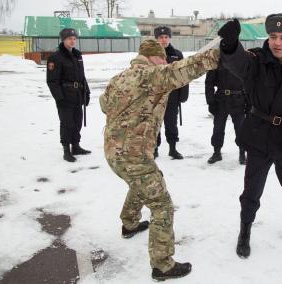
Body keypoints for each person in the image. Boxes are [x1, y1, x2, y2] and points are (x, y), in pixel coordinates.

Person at [99, 40, 219, 280]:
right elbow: (186, 69)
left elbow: (104, 104)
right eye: (162, 58)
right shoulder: (150, 76)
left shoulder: (120, 78)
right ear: (153, 58)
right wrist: (220, 53)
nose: (165, 62)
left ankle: (130, 223)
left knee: (143, 184)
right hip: (133, 156)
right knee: (161, 205)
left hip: (115, 153)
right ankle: (162, 265)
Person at [217, 15, 282, 258]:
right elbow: (237, 63)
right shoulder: (256, 61)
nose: (277, 42)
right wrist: (231, 44)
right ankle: (245, 230)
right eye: (273, 37)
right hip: (259, 135)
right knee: (252, 190)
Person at [46, 28, 91, 162]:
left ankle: (76, 146)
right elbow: (52, 81)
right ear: (63, 40)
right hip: (65, 96)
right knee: (67, 123)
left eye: (74, 38)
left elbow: (82, 76)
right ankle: (66, 150)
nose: (73, 41)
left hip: (77, 95)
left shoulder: (78, 56)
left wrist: (87, 92)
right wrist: (59, 98)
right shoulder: (55, 57)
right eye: (70, 38)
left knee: (77, 122)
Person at [154, 26, 189, 159]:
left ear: (169, 38)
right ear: (156, 39)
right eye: (161, 37)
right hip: (155, 97)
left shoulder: (177, 54)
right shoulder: (150, 55)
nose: (163, 40)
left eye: (166, 37)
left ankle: (172, 148)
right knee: (154, 124)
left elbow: (183, 76)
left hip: (172, 97)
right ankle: (154, 149)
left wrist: (183, 95)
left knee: (171, 123)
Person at [205, 65, 248, 165]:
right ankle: (217, 152)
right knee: (218, 128)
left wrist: (249, 103)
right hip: (221, 100)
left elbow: (250, 82)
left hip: (239, 100)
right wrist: (211, 102)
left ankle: (242, 153)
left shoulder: (242, 60)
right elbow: (209, 82)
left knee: (240, 128)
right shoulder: (218, 60)